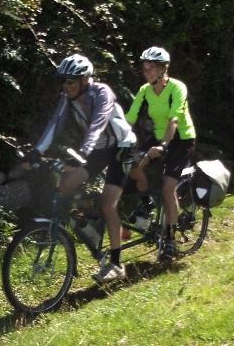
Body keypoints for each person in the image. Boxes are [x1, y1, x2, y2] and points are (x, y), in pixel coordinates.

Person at [22, 54, 136, 282]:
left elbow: (98, 123)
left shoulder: (102, 92)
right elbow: (55, 123)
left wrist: (82, 153)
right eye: (64, 81)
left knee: (107, 205)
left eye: (71, 81)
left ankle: (115, 263)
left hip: (122, 146)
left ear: (85, 79)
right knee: (65, 185)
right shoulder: (68, 98)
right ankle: (89, 225)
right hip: (99, 148)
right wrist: (37, 151)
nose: (66, 86)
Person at [125, 46, 196, 260]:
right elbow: (130, 117)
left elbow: (174, 119)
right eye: (144, 69)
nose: (147, 73)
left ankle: (170, 241)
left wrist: (163, 146)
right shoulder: (144, 90)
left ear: (164, 69)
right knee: (132, 165)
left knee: (167, 187)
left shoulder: (177, 88)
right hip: (158, 137)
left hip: (181, 140)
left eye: (151, 68)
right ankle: (146, 202)